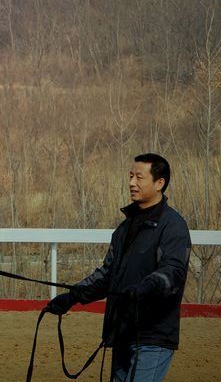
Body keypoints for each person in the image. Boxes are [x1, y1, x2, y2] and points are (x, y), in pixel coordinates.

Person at [45, 153, 191, 382]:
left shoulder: (173, 226)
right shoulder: (124, 228)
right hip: (122, 331)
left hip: (153, 335)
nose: (132, 183)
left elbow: (173, 272)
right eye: (130, 176)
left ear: (159, 183)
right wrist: (72, 296)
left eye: (139, 177)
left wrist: (145, 287)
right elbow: (107, 275)